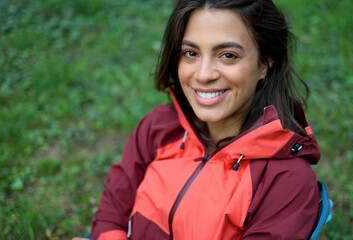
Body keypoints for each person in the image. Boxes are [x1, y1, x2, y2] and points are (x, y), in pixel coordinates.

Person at [76, 0, 322, 239]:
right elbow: (112, 214)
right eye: (191, 53)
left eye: (228, 55)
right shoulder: (159, 127)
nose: (203, 75)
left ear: (265, 63)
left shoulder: (287, 181)